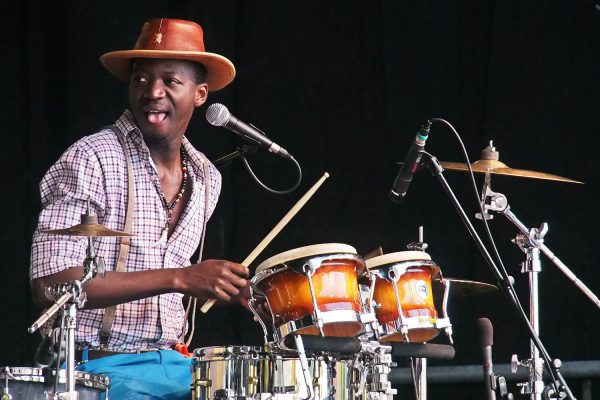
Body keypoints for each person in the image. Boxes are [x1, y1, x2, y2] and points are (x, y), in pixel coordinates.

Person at [29, 18, 249, 399]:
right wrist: (181, 277)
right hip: (95, 370)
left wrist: (231, 289)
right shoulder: (91, 158)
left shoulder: (206, 177)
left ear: (200, 95)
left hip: (178, 366)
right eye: (142, 79)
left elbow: (177, 285)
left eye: (171, 81)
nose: (153, 91)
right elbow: (50, 285)